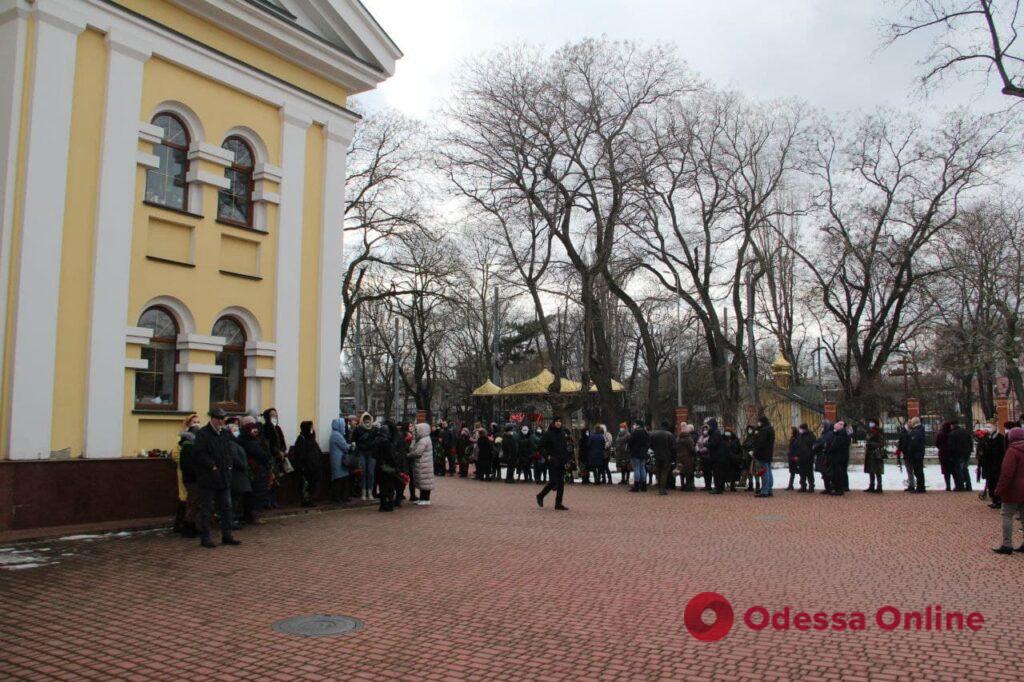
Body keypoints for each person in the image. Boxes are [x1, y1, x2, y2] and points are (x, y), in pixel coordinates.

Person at [192, 408, 239, 548]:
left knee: (226, 507)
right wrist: (211, 465)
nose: (220, 421)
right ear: (212, 418)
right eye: (218, 418)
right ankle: (205, 538)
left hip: (224, 476)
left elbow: (229, 450)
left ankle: (227, 535)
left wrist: (229, 465)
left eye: (222, 419)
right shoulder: (203, 433)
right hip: (208, 477)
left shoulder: (224, 433)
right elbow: (198, 453)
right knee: (207, 508)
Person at [993, 426, 1024, 554]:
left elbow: (1007, 474)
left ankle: (1007, 544)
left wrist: (999, 490)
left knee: (1007, 515)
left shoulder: (1012, 451)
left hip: (1013, 489)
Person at [240, 419, 273, 518]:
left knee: (256, 492)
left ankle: (251, 513)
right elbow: (262, 455)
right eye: (253, 431)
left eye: (256, 431)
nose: (255, 433)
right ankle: (252, 514)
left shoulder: (253, 441)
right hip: (255, 470)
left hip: (256, 469)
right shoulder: (250, 442)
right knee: (255, 493)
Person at [175, 414, 201, 538]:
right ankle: (186, 527)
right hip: (191, 478)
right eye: (195, 422)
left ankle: (190, 526)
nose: (197, 424)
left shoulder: (191, 445)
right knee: (190, 502)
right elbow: (184, 462)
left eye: (198, 422)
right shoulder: (187, 445)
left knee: (192, 502)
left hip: (192, 477)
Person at [225, 417, 253, 526]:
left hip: (238, 475)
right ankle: (230, 520)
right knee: (233, 498)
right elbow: (234, 458)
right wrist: (243, 466)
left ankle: (231, 519)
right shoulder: (231, 443)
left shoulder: (235, 442)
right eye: (234, 430)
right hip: (236, 475)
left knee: (235, 498)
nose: (237, 431)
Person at [536, 418, 569, 510]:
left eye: (560, 421)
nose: (558, 423)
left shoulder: (563, 433)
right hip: (552, 460)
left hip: (561, 460)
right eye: (557, 421)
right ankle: (540, 495)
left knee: (561, 483)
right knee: (553, 481)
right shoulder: (548, 434)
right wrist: (547, 456)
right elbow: (540, 447)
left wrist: (566, 461)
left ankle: (558, 503)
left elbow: (564, 448)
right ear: (553, 423)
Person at [261, 408, 288, 509]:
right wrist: (275, 451)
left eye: (276, 415)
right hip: (270, 457)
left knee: (277, 480)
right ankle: (266, 501)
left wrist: (282, 451)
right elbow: (266, 444)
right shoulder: (265, 428)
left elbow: (282, 441)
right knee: (269, 480)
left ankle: (273, 500)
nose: (274, 417)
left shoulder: (278, 428)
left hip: (278, 458)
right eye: (272, 415)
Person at [292, 421, 323, 507]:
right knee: (306, 485)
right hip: (306, 468)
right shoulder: (301, 439)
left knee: (312, 484)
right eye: (311, 427)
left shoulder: (310, 439)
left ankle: (310, 499)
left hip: (313, 467)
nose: (312, 429)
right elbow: (301, 455)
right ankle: (306, 500)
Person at [353, 412, 377, 500]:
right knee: (363, 473)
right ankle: (363, 492)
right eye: (365, 419)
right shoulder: (357, 429)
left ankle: (370, 492)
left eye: (368, 419)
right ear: (362, 420)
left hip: (371, 453)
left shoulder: (374, 429)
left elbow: (377, 440)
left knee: (371, 473)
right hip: (361, 452)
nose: (367, 421)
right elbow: (353, 440)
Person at [411, 422, 435, 505]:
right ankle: (422, 498)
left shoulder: (423, 440)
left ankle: (426, 499)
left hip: (424, 464)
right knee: (423, 482)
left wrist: (409, 455)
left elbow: (417, 452)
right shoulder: (424, 439)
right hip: (424, 464)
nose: (416, 432)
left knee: (425, 483)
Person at [328, 418, 351, 504]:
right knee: (339, 480)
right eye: (343, 426)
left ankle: (341, 497)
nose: (344, 428)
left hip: (338, 460)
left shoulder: (335, 434)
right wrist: (351, 446)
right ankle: (337, 497)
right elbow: (344, 446)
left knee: (340, 479)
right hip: (339, 461)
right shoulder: (337, 435)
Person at [650, 421, 677, 495]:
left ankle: (659, 487)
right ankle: (662, 489)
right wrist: (673, 457)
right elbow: (673, 447)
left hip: (657, 455)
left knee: (658, 471)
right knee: (664, 472)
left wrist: (655, 450)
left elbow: (650, 444)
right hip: (666, 456)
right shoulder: (670, 435)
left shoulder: (654, 434)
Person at [753, 416, 776, 498]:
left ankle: (764, 491)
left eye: (759, 422)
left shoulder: (763, 430)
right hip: (769, 454)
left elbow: (760, 443)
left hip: (762, 454)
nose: (758, 423)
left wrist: (755, 452)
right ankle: (769, 489)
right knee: (769, 471)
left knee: (764, 472)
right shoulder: (771, 429)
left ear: (762, 422)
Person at [827, 420, 851, 496]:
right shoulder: (842, 434)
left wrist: (829, 450)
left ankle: (840, 489)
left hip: (839, 456)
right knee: (839, 472)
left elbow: (835, 446)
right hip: (840, 456)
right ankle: (840, 488)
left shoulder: (841, 436)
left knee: (839, 473)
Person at [947, 419, 972, 491]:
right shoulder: (965, 432)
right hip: (966, 454)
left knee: (959, 470)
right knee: (965, 469)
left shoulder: (952, 434)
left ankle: (960, 486)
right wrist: (969, 452)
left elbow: (951, 446)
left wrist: (951, 456)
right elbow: (970, 443)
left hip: (957, 454)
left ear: (952, 425)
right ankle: (968, 485)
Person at [863, 418, 885, 493]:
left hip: (876, 453)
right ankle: (871, 486)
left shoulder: (878, 431)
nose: (870, 424)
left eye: (871, 422)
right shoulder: (869, 431)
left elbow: (881, 443)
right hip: (869, 453)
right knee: (870, 470)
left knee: (877, 471)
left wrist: (871, 444)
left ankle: (879, 487)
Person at [627, 422, 651, 493]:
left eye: (635, 424)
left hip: (635, 453)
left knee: (636, 468)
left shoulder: (635, 432)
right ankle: (644, 486)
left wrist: (631, 450)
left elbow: (630, 442)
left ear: (637, 425)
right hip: (643, 453)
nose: (633, 426)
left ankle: (636, 486)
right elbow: (648, 442)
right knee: (642, 468)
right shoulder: (645, 432)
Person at [906, 417, 926, 493]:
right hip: (919, 453)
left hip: (916, 454)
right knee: (919, 471)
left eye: (911, 422)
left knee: (918, 471)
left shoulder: (916, 431)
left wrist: (910, 452)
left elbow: (913, 444)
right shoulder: (920, 430)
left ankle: (920, 487)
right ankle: (921, 487)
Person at [794, 423, 816, 492]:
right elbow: (797, 446)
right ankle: (803, 486)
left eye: (801, 428)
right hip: (801, 457)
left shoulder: (811, 436)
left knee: (809, 473)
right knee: (802, 472)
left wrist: (811, 455)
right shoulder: (799, 436)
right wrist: (796, 455)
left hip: (808, 457)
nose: (800, 430)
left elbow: (813, 447)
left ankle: (811, 486)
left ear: (805, 429)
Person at [675, 424, 696, 491]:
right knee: (688, 472)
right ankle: (688, 486)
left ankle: (682, 486)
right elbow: (692, 450)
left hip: (679, 457)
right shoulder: (689, 439)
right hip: (688, 458)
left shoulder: (678, 439)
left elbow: (676, 448)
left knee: (681, 472)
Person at [936, 422, 954, 491]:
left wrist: (941, 447)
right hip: (951, 453)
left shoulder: (940, 434)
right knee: (953, 471)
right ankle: (957, 484)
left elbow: (937, 443)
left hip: (943, 454)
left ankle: (948, 486)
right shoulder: (952, 434)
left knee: (946, 472)